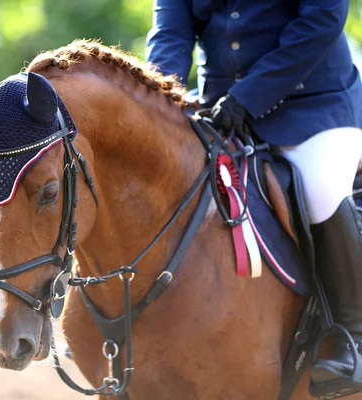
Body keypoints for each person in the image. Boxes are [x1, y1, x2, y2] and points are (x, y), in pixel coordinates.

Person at [146, 0, 362, 394]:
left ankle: (356, 339)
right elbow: (171, 33)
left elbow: (323, 19)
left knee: (321, 190)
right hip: (220, 109)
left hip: (312, 104)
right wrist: (161, 103)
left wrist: (249, 97)